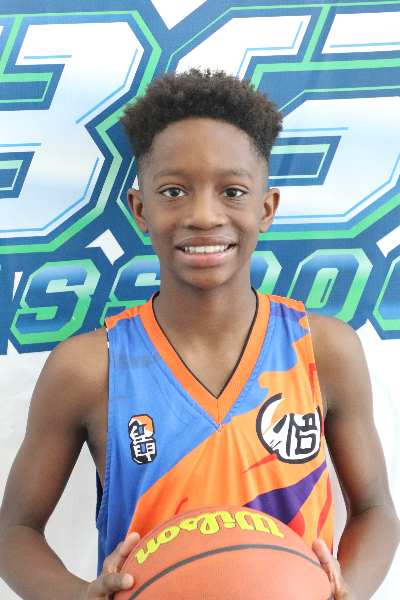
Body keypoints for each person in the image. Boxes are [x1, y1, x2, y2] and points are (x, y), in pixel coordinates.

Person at [0, 68, 399, 600]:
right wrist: (78, 597)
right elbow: (14, 531)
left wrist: (345, 590)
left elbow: (375, 508)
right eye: (173, 191)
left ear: (266, 208)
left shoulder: (323, 349)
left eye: (232, 191)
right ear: (141, 210)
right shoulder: (91, 367)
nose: (204, 216)